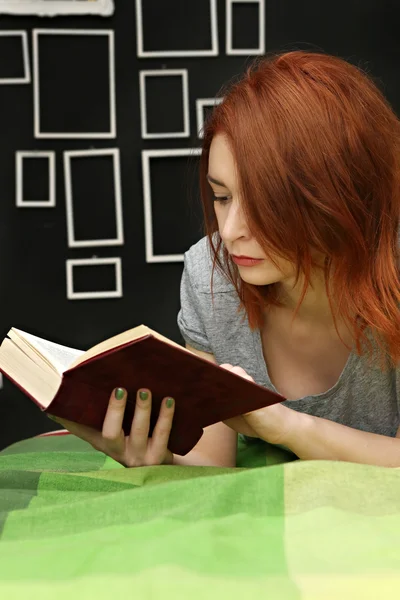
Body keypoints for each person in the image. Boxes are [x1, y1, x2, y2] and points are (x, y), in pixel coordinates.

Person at [54, 50, 400, 468]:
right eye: (221, 197)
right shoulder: (211, 276)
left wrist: (287, 427)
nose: (232, 230)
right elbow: (212, 464)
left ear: (338, 197)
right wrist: (154, 456)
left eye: (264, 204)